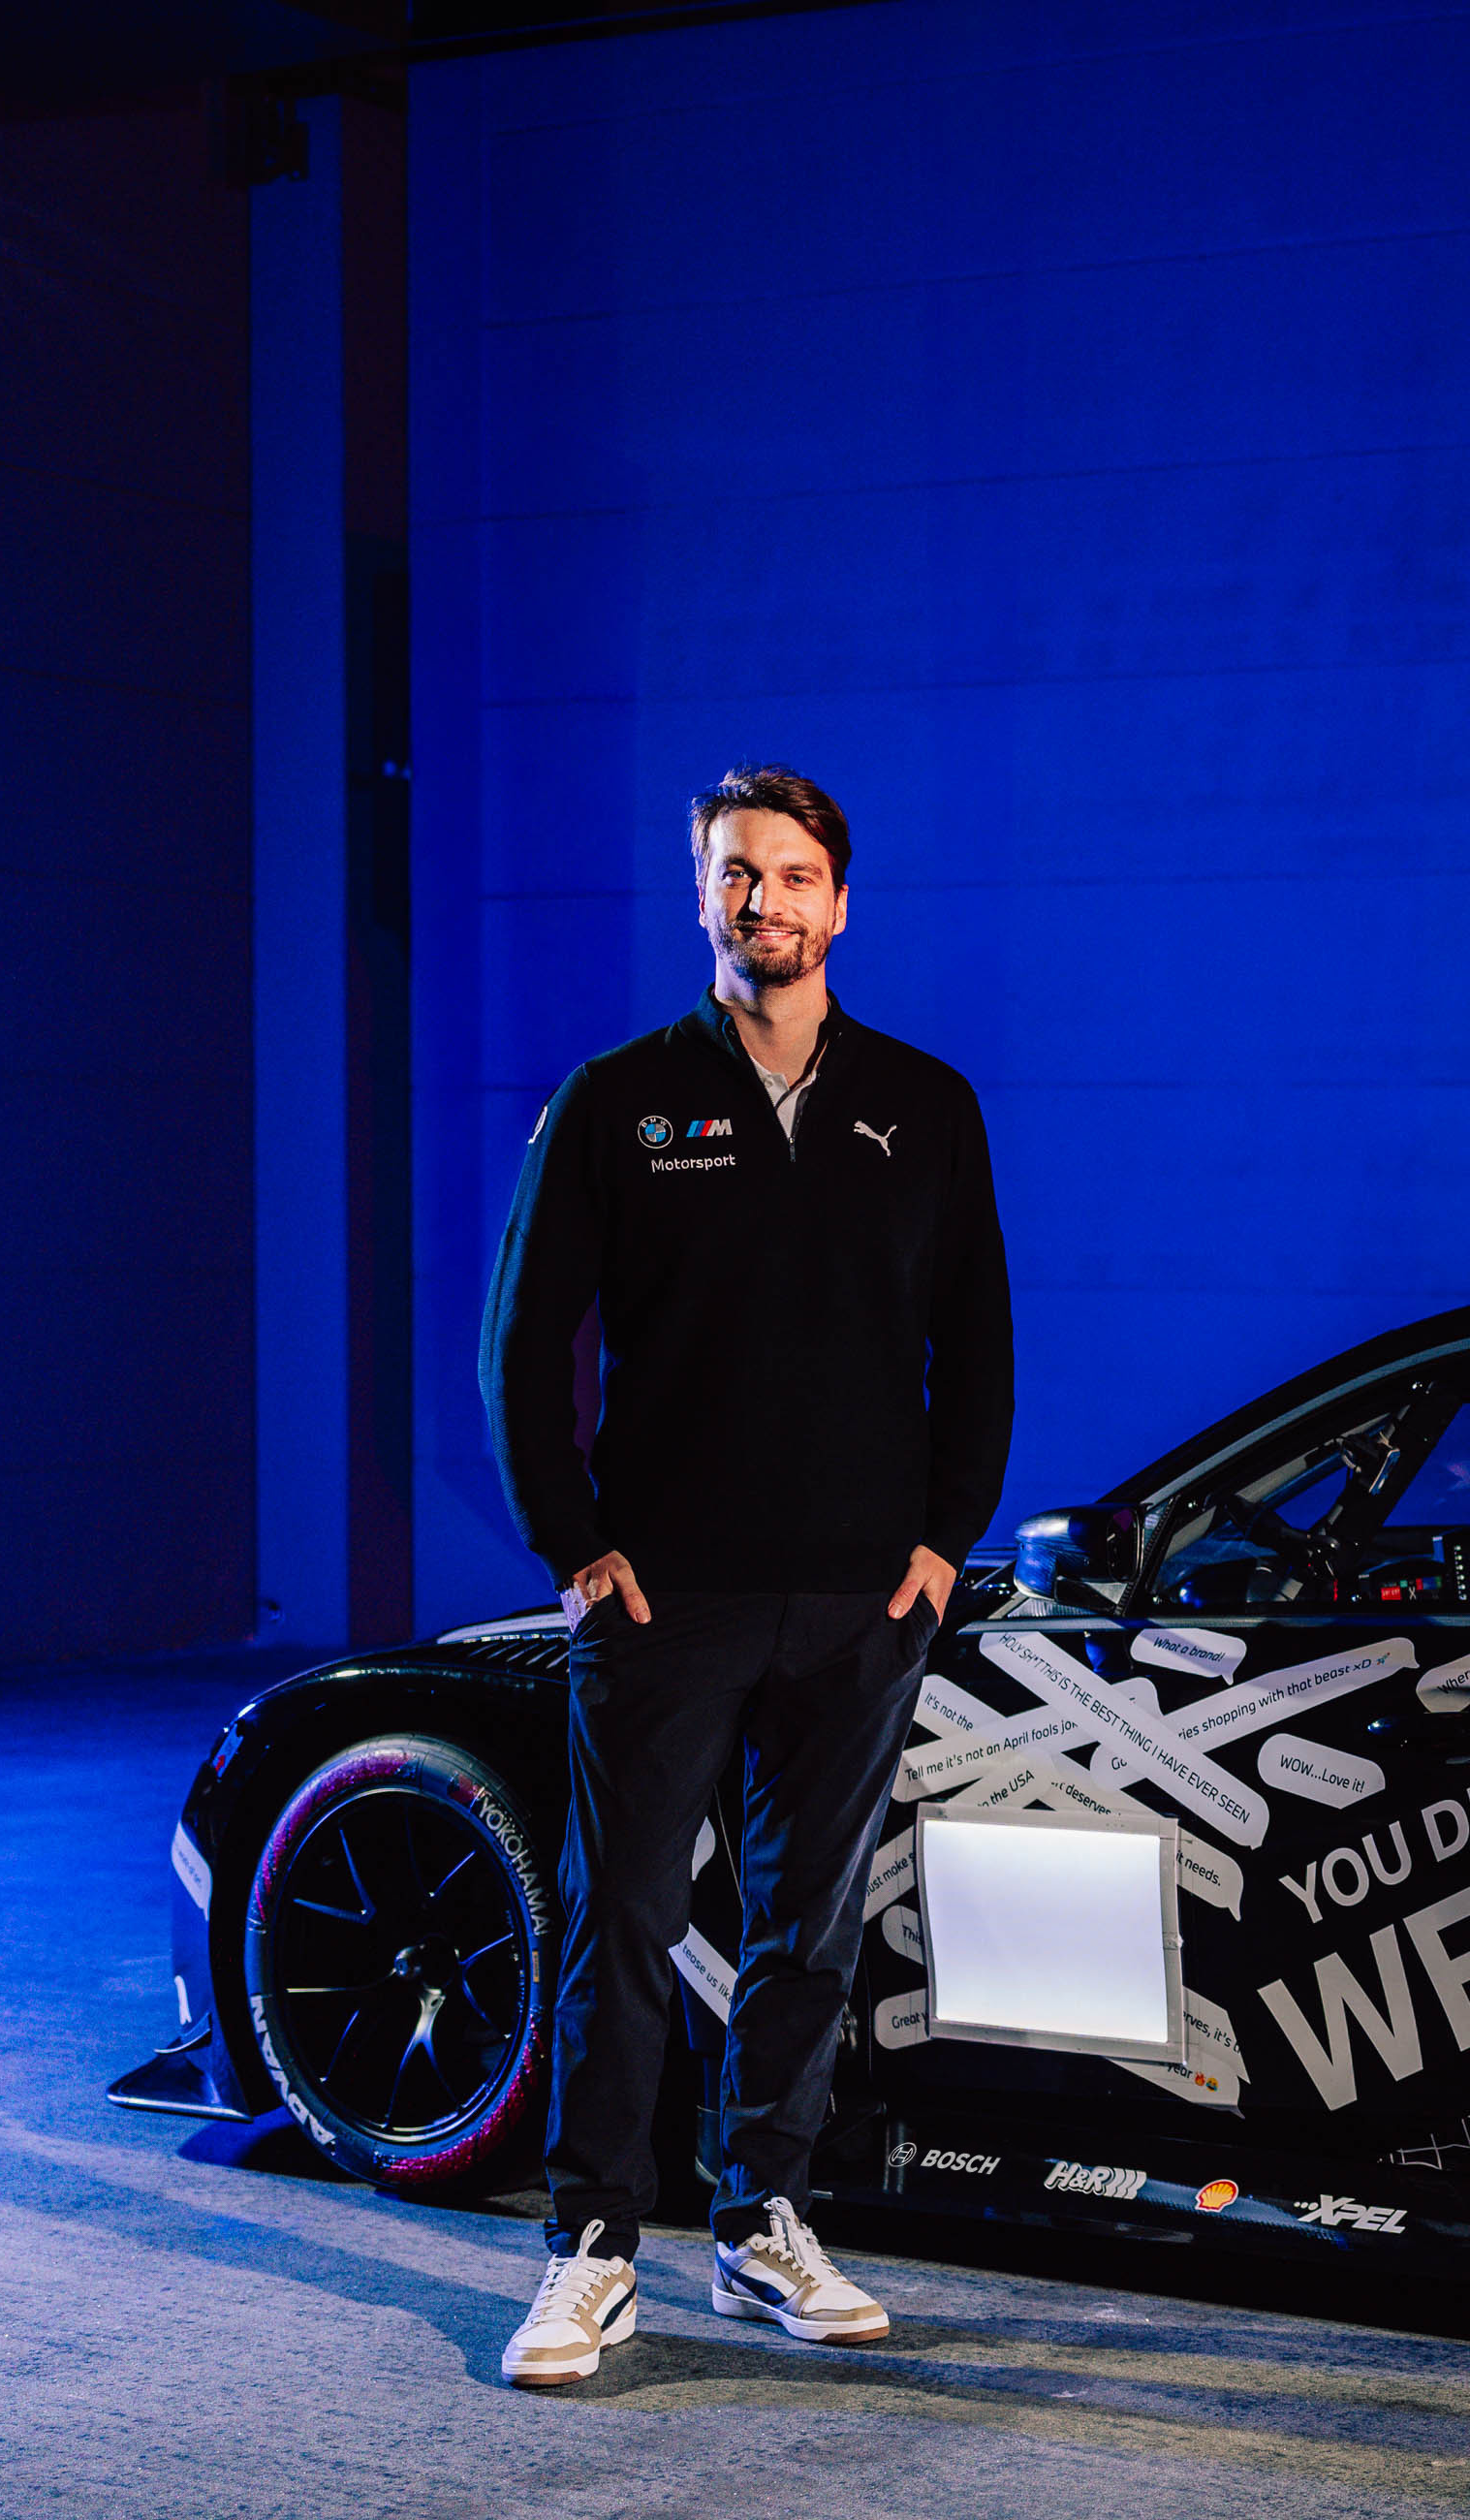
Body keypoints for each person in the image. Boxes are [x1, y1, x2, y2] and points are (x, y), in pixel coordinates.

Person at [478, 765, 1013, 2388]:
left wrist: (941, 1542)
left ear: (839, 902)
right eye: (734, 872)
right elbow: (522, 1342)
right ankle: (591, 2245)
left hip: (860, 1602)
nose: (761, 899)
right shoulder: (620, 1099)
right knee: (623, 1924)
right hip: (666, 1597)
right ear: (700, 893)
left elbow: (978, 1348)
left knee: (806, 1930)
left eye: (790, 874)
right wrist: (573, 1545)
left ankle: (763, 2220)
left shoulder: (925, 1105)